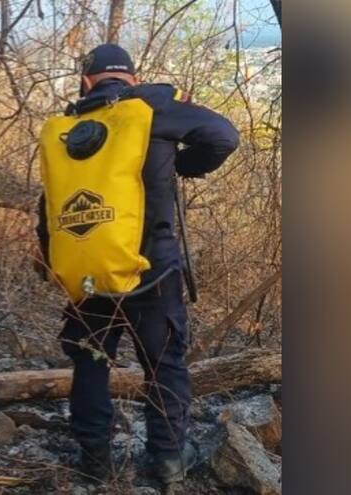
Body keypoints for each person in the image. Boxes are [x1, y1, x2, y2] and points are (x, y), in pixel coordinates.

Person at [35, 43, 239, 486]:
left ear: (86, 80)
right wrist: (182, 165)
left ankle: (95, 464)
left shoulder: (68, 129)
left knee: (91, 362)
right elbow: (224, 136)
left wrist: (53, 262)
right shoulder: (153, 108)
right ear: (131, 76)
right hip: (152, 273)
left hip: (90, 272)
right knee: (164, 365)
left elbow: (49, 206)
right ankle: (167, 465)